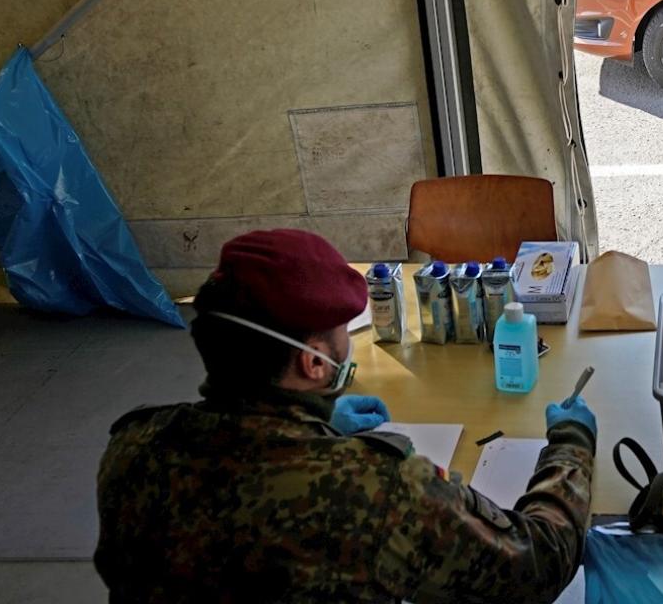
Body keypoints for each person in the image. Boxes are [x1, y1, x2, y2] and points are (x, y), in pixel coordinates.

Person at [95, 229, 596, 603]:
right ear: (314, 362)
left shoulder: (134, 445)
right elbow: (537, 565)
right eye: (343, 327)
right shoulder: (369, 486)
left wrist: (316, 424)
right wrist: (570, 446)